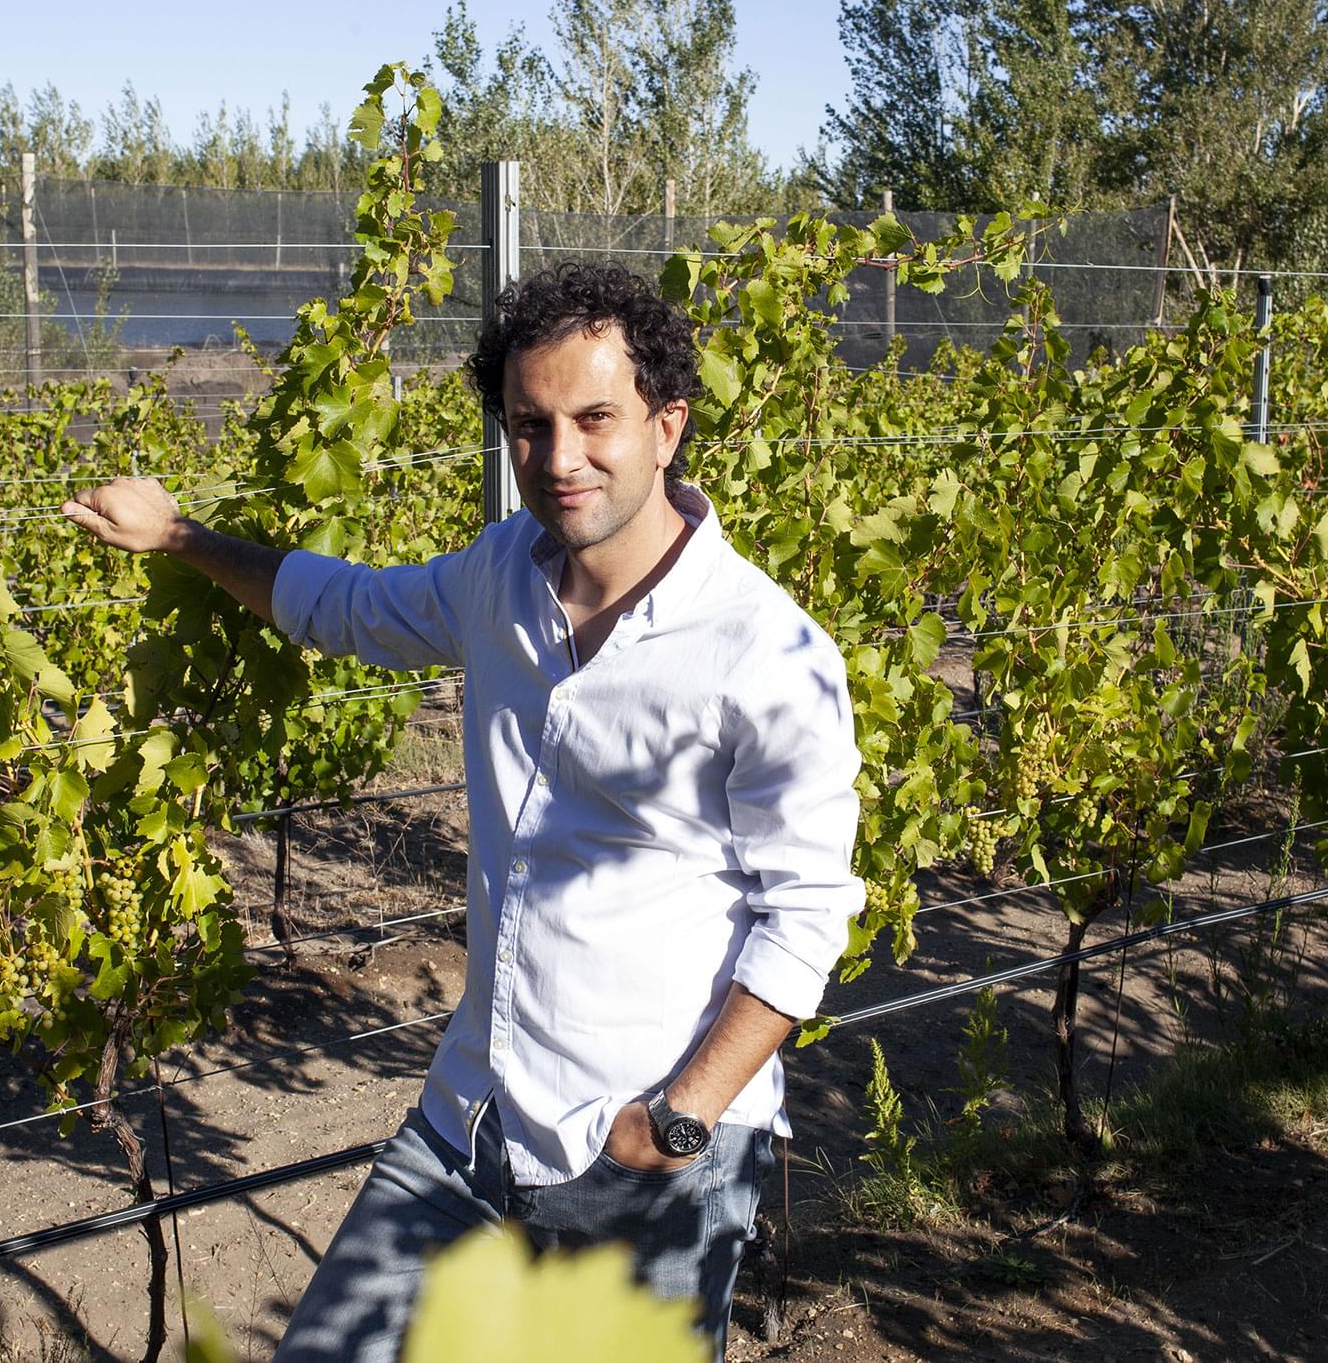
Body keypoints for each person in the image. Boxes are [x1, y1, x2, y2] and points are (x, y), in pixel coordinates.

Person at [61, 263, 863, 1362]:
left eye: (595, 419)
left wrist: (674, 1121)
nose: (560, 457)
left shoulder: (763, 652)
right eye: (530, 425)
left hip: (637, 1158)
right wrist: (184, 538)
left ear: (666, 426)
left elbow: (808, 915)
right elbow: (343, 607)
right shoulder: (501, 576)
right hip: (471, 1116)